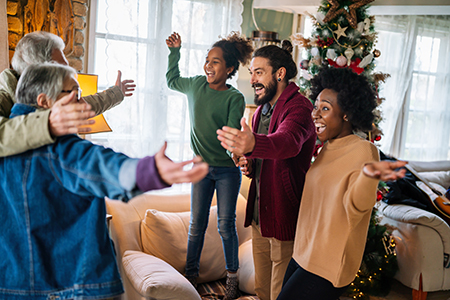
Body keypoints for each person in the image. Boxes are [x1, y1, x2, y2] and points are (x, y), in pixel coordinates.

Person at [0, 63, 209, 300]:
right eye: (74, 94)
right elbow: (101, 165)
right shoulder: (59, 148)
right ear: (45, 101)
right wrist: (149, 171)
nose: (81, 103)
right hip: (73, 286)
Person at [273, 66, 407, 300]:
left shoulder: (364, 150)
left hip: (328, 263)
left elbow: (358, 207)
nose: (315, 114)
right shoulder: (327, 147)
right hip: (303, 254)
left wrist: (368, 176)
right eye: (315, 107)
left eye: (325, 108)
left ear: (346, 113)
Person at [216, 41, 317, 300]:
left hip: (284, 216)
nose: (252, 80)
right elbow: (263, 159)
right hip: (261, 218)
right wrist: (249, 162)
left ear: (280, 74)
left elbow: (287, 144)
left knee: (279, 294)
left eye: (259, 72)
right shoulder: (259, 111)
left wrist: (252, 144)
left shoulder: (299, 108)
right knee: (262, 291)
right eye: (251, 72)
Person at [165, 31, 253, 299]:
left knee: (226, 225)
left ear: (229, 69)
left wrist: (235, 156)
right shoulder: (194, 86)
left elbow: (230, 135)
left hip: (227, 171)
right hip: (201, 170)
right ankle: (190, 276)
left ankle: (232, 279)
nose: (208, 65)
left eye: (215, 62)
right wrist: (175, 51)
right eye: (207, 60)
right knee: (196, 225)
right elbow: (172, 81)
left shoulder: (234, 98)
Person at [0, 31, 136, 157]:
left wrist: (116, 93)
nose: (67, 73)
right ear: (34, 69)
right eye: (59, 68)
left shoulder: (51, 95)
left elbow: (83, 105)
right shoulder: (3, 98)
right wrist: (48, 124)